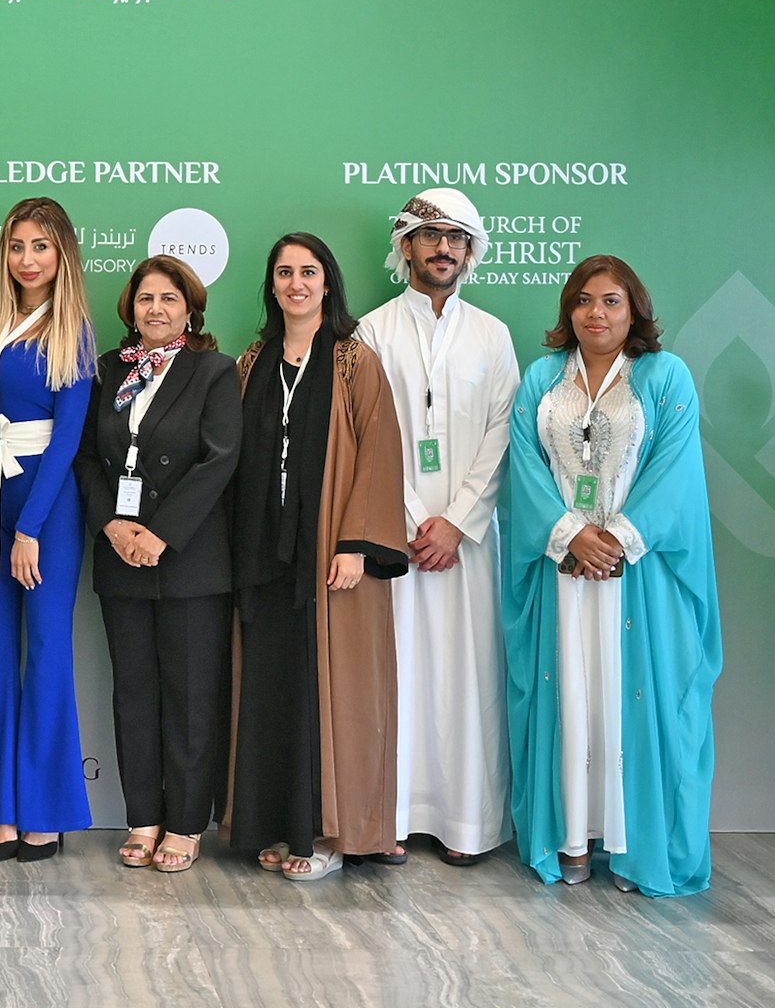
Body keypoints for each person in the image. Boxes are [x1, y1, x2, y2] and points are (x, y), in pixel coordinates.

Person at [505, 256, 722, 897]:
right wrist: (571, 534)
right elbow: (523, 460)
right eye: (583, 301)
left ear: (635, 310)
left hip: (637, 574)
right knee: (571, 694)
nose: (595, 314)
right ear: (568, 311)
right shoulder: (544, 377)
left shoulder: (664, 374)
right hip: (563, 567)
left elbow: (676, 469)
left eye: (611, 302)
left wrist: (618, 541)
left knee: (633, 697)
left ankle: (633, 845)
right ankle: (572, 838)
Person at [227, 232, 408, 882]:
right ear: (271, 285)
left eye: (308, 272)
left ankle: (331, 834)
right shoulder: (253, 360)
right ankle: (280, 824)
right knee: (274, 689)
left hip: (331, 557)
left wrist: (357, 544)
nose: (296, 283)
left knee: (334, 693)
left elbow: (381, 454)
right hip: (264, 557)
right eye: (284, 273)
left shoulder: (355, 361)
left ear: (327, 283)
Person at [357, 190, 520, 866]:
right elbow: (366, 434)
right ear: (405, 248)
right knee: (396, 672)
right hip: (393, 538)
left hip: (466, 543)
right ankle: (388, 817)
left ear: (471, 249)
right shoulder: (371, 330)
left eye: (455, 236)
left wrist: (455, 522)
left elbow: (505, 433)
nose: (441, 247)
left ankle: (467, 824)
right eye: (428, 236)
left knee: (465, 677)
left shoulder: (493, 334)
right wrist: (407, 518)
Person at [0, 196, 96, 861]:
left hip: (46, 511)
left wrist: (30, 527)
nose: (27, 259)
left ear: (61, 254)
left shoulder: (76, 330)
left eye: (40, 246)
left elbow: (68, 442)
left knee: (49, 652)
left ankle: (47, 810)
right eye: (16, 246)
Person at [75, 255, 241, 872]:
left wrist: (161, 536)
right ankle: (142, 816)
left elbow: (219, 460)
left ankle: (187, 824)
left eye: (169, 299)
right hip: (120, 555)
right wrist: (114, 525)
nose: (156, 309)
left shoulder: (214, 371)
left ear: (190, 308)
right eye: (146, 298)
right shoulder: (107, 372)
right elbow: (88, 457)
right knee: (134, 694)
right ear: (130, 308)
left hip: (190, 559)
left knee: (191, 696)